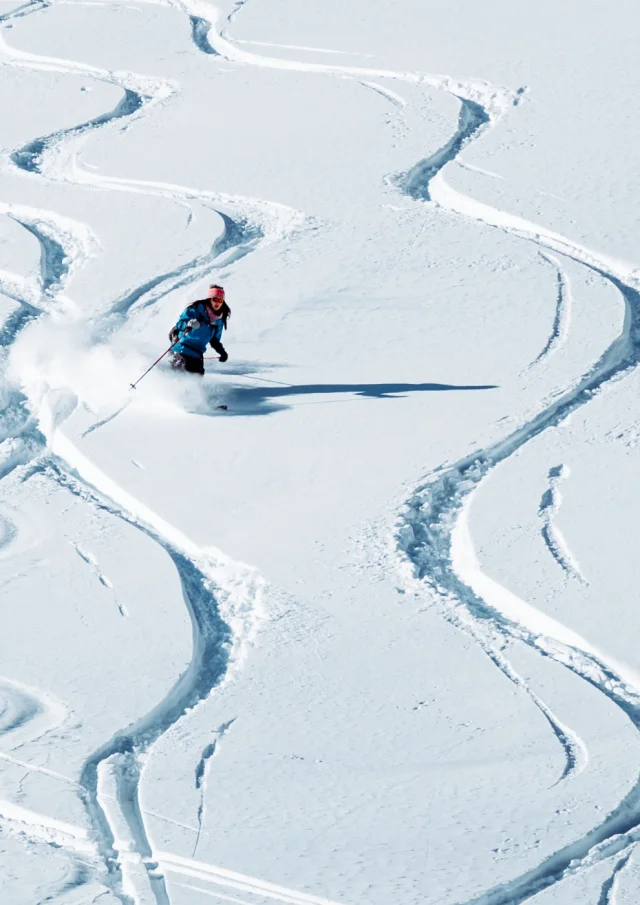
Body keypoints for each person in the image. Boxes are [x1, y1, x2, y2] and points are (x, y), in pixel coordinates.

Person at [169, 284, 230, 375]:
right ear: (209, 299)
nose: (217, 303)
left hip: (197, 355)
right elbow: (179, 325)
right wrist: (188, 324)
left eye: (220, 300)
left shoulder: (219, 320)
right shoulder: (196, 310)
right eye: (214, 299)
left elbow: (214, 340)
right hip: (181, 349)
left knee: (196, 381)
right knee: (179, 377)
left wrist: (222, 352)